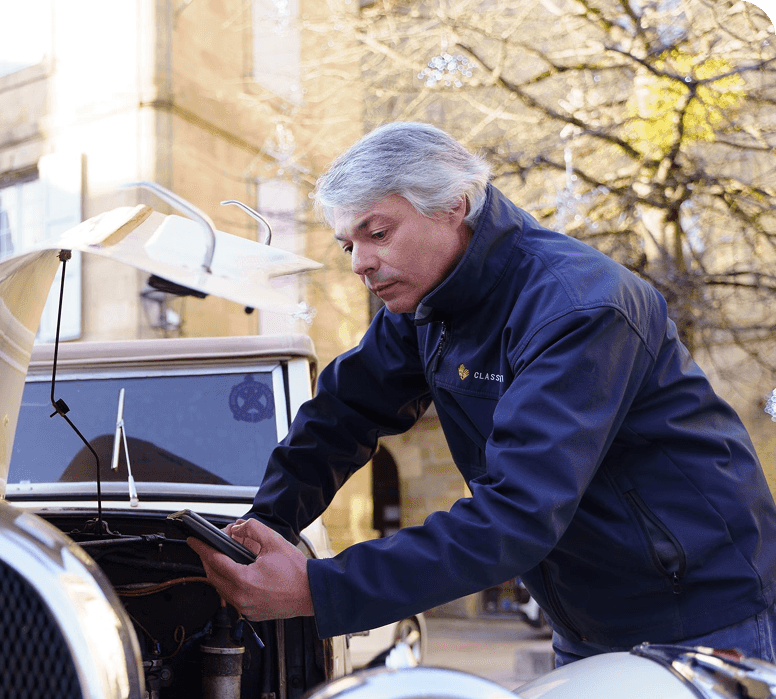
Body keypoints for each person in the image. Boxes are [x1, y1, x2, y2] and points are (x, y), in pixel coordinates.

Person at [189, 122, 776, 665]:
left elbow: (516, 513)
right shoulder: (423, 306)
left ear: (453, 207)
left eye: (378, 232)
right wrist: (252, 529)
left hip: (704, 618)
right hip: (583, 623)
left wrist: (320, 589)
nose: (361, 264)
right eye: (349, 245)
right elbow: (342, 414)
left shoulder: (579, 307)